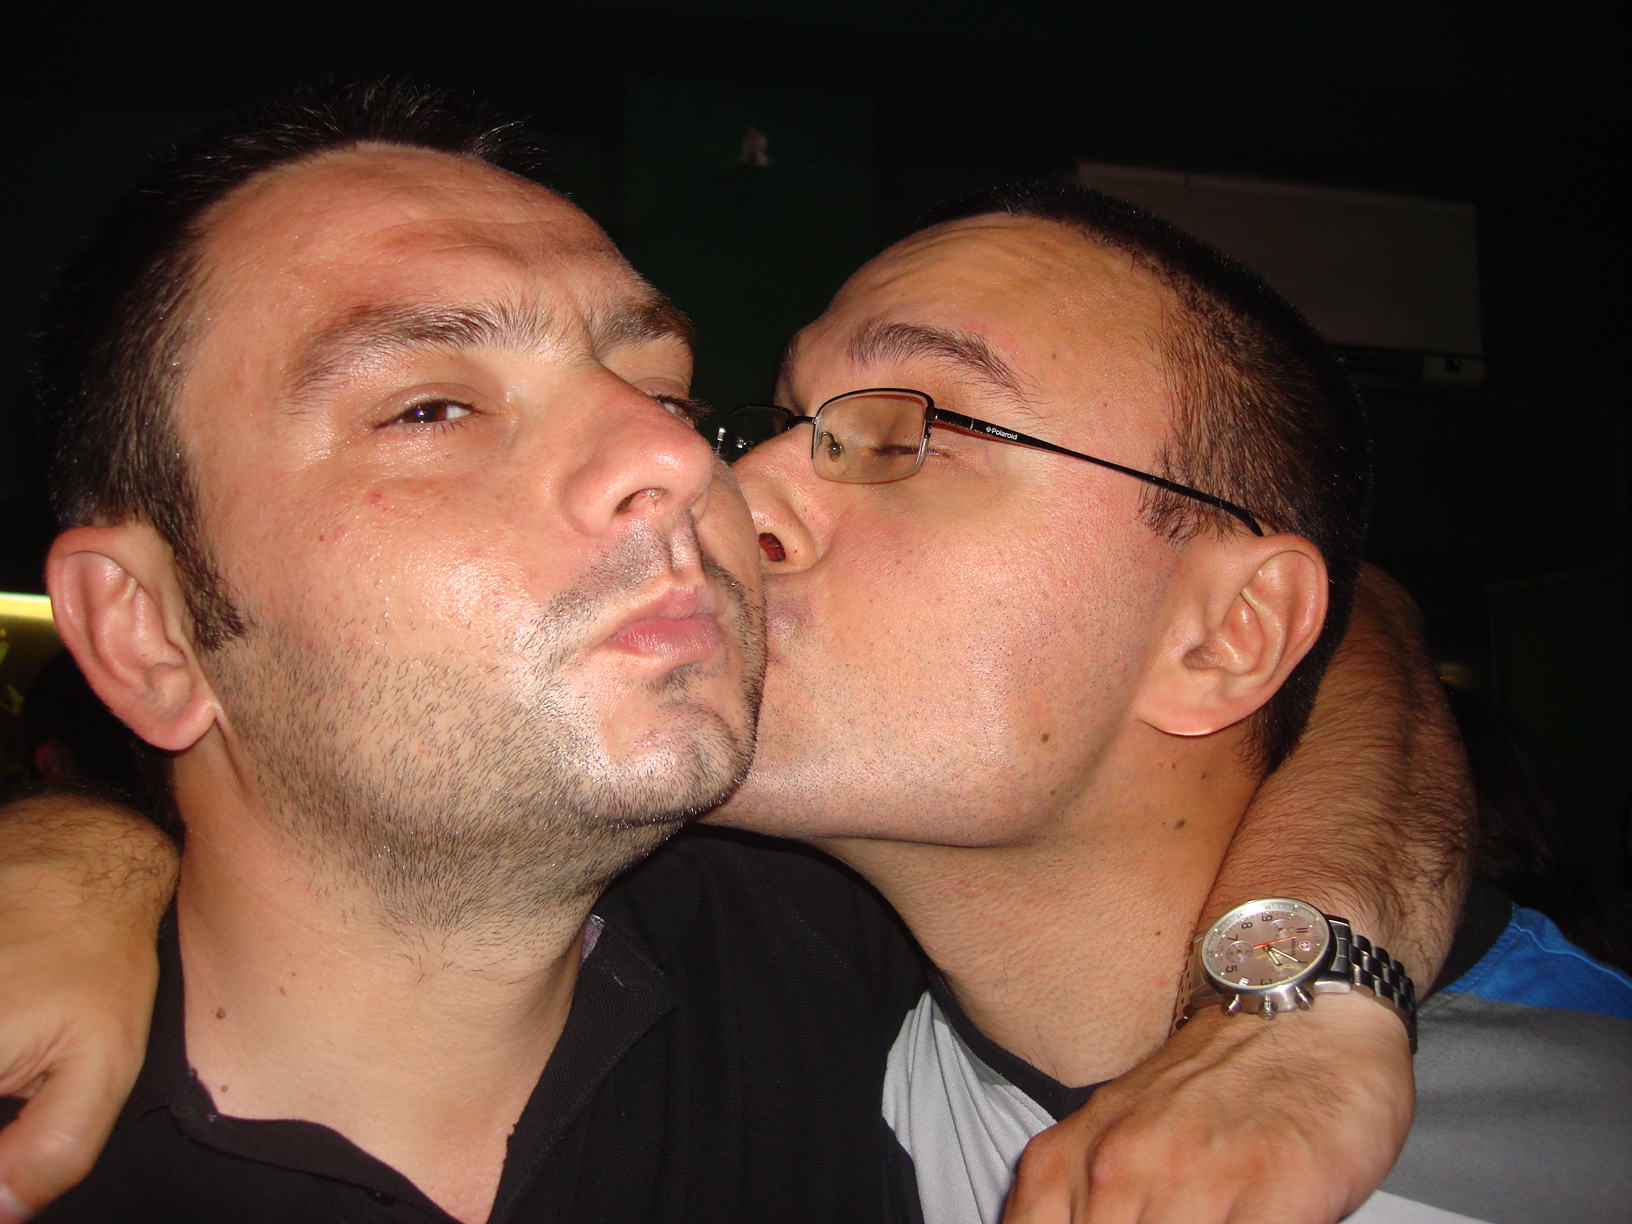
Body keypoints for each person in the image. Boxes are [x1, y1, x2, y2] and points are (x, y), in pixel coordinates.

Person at [0, 82, 1472, 1222]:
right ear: (144, 628)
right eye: (432, 407)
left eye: (661, 391)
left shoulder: (817, 972)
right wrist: (84, 851)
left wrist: (1300, 995)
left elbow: (1347, 625)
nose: (697, 462)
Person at [715, 183, 1632, 1222]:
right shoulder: (765, 1021)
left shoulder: (1579, 1151)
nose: (738, 493)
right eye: (788, 421)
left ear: (1229, 632)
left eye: (914, 432)